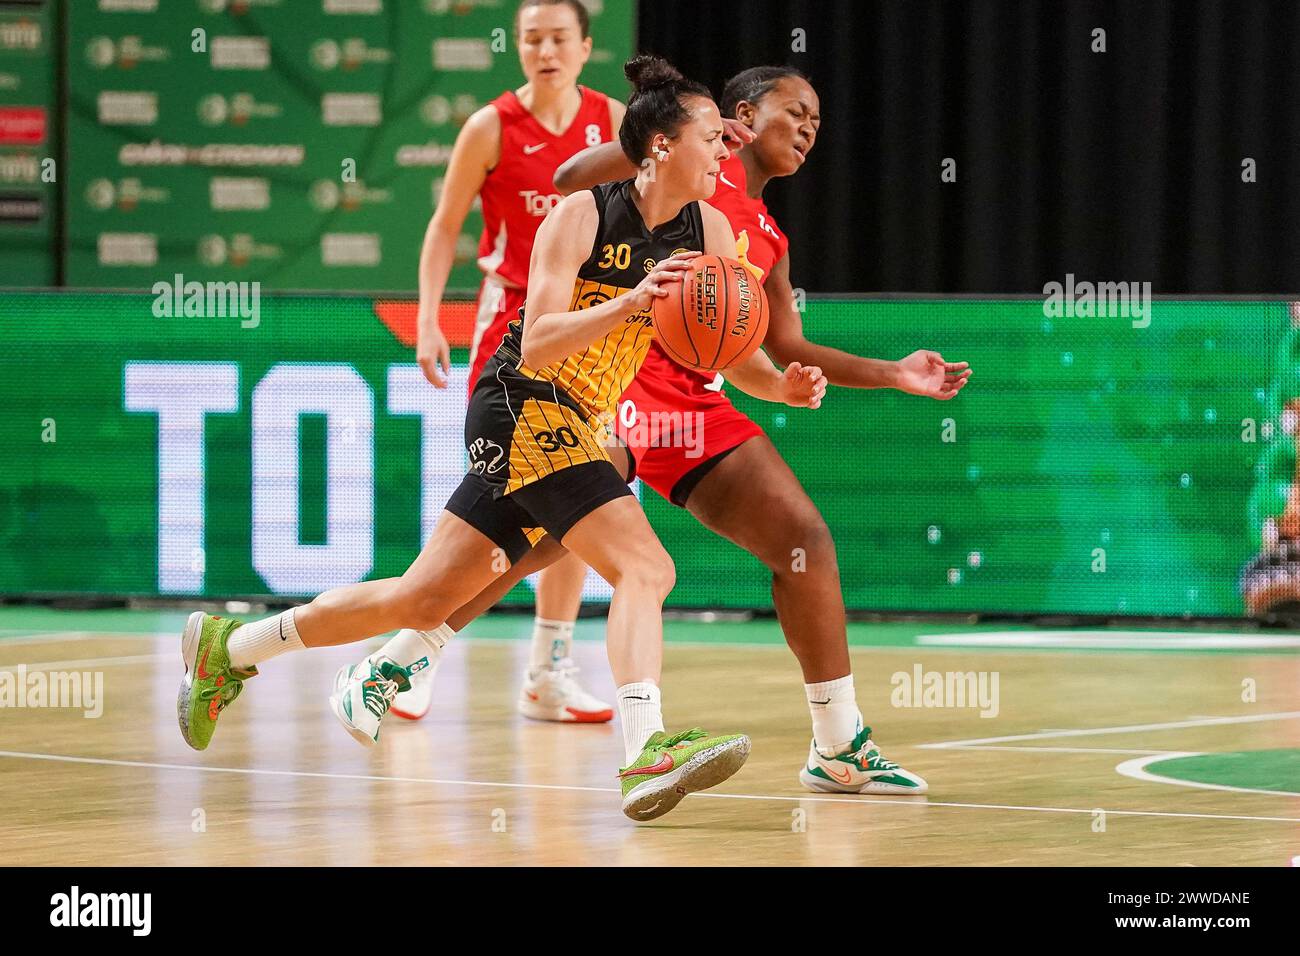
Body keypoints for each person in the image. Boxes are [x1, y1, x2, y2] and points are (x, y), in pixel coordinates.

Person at [176, 55, 826, 822]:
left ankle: (234, 648)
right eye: (713, 136)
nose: (727, 151)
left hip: (575, 416)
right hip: (522, 400)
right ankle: (645, 752)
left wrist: (775, 382)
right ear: (661, 148)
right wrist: (629, 304)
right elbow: (542, 341)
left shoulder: (711, 226)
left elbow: (728, 347)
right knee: (646, 568)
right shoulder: (582, 215)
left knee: (422, 594)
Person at [390, 66, 973, 796]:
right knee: (550, 530)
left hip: (698, 401)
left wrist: (892, 373)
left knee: (805, 542)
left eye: (817, 121)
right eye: (794, 111)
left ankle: (838, 745)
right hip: (621, 383)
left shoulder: (763, 233)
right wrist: (659, 142)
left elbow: (781, 350)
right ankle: (415, 646)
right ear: (739, 116)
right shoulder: (688, 168)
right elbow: (573, 173)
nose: (807, 128)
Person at [405, 0, 623, 723]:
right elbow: (443, 226)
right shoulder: (491, 126)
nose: (546, 49)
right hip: (511, 321)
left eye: (560, 37)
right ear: (517, 47)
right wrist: (431, 316)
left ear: (586, 46)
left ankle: (549, 663)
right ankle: (416, 645)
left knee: (587, 486)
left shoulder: (616, 122)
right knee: (496, 485)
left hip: (590, 326)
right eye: (532, 38)